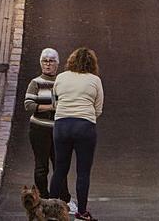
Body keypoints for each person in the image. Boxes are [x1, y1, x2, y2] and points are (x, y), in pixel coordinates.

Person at [49, 48, 103, 221]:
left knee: (60, 168)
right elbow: (98, 108)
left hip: (62, 125)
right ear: (92, 63)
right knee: (83, 172)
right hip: (85, 126)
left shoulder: (61, 77)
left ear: (71, 61)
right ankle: (81, 212)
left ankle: (51, 211)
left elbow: (54, 101)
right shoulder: (95, 80)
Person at [24, 48, 62, 201]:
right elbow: (28, 105)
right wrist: (51, 107)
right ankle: (42, 198)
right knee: (41, 167)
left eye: (51, 61)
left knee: (60, 166)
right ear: (41, 64)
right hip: (39, 129)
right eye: (45, 61)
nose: (48, 64)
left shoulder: (62, 82)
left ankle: (61, 198)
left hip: (59, 130)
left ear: (57, 64)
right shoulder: (36, 83)